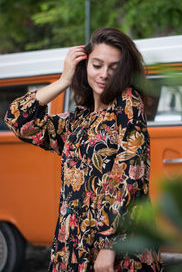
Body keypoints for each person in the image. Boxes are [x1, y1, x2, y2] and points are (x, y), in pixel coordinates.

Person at [5, 28, 163, 272]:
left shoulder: (128, 107)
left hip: (115, 247)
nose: (104, 75)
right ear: (85, 65)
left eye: (114, 67)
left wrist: (109, 248)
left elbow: (129, 179)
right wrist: (64, 80)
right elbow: (18, 120)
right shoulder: (77, 121)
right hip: (72, 246)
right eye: (97, 65)